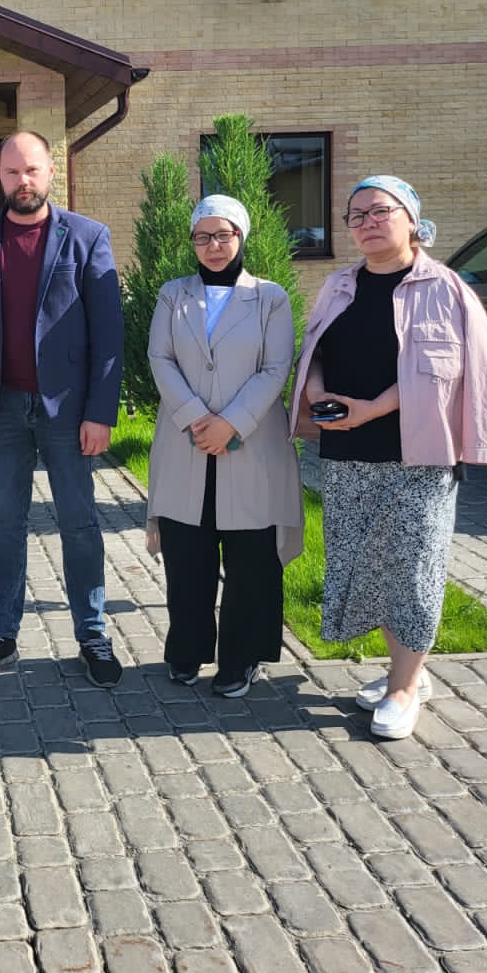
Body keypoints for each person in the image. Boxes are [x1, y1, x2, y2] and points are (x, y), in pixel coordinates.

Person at [290, 175, 487, 740]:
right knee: (370, 566)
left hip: (419, 456)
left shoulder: (446, 288)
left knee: (414, 568)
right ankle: (406, 672)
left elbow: (455, 370)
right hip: (347, 452)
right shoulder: (339, 284)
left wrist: (372, 409)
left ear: (412, 221)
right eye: (355, 215)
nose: (367, 223)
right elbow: (314, 350)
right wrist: (317, 393)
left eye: (380, 211)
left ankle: (404, 688)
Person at [0, 130, 125, 687]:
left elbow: (109, 333)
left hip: (68, 411)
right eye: (12, 172)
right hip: (1, 408)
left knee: (79, 523)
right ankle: (0, 632)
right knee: (6, 523)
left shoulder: (88, 236)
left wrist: (101, 412)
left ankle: (92, 633)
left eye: (31, 170)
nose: (22, 181)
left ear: (50, 171)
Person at [146, 195, 304, 696]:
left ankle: (242, 657)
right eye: (202, 236)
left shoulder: (270, 298)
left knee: (251, 558)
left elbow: (276, 368)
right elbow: (160, 358)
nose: (213, 246)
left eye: (223, 235)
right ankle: (188, 649)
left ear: (241, 236)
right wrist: (199, 419)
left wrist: (231, 424)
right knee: (187, 554)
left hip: (252, 444)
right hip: (186, 441)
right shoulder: (173, 295)